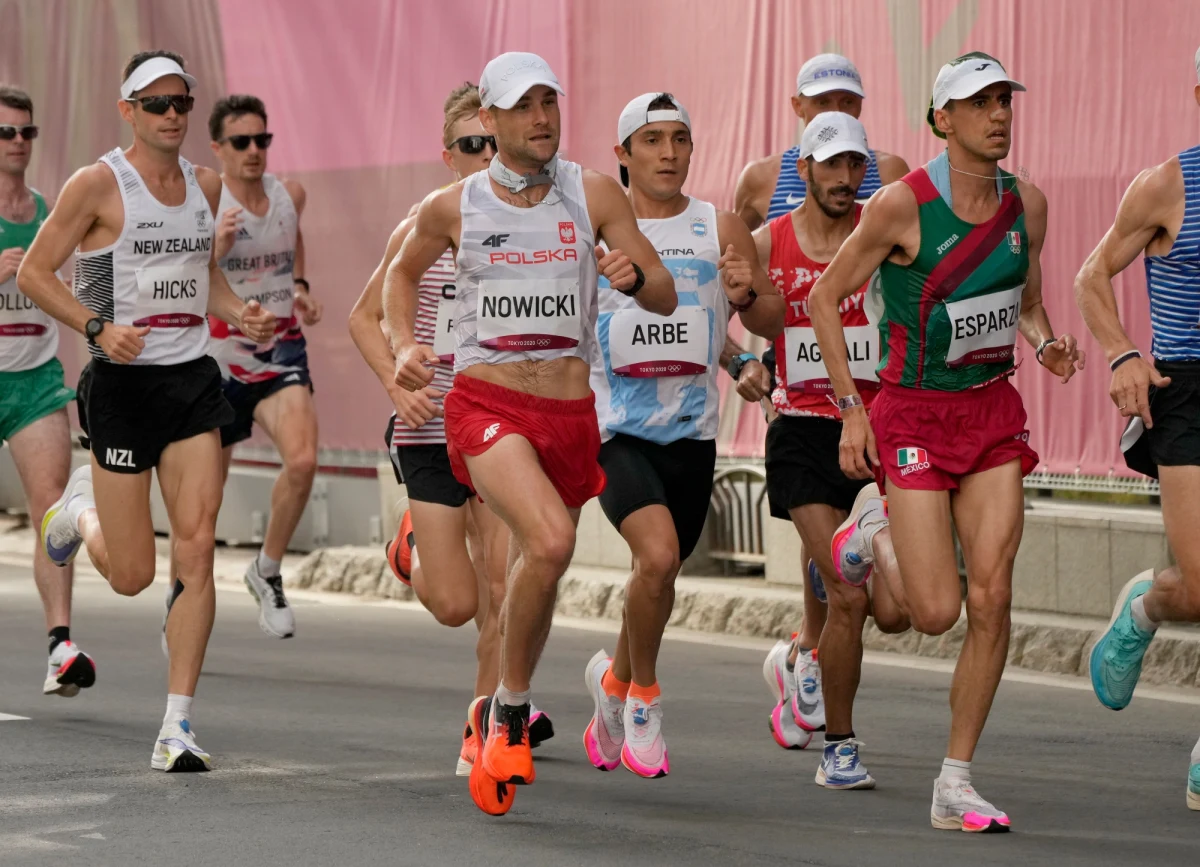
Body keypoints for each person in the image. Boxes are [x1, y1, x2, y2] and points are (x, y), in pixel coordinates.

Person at [385, 51, 674, 816]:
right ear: (490, 119)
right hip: (487, 404)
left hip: (569, 415)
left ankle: (505, 701)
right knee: (550, 540)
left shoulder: (594, 192)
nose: (542, 117)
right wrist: (403, 344)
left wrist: (634, 277)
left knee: (537, 569)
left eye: (549, 101)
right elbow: (400, 276)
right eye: (522, 106)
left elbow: (665, 291)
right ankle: (509, 710)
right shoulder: (455, 206)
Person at [807, 53, 1084, 831]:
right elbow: (826, 297)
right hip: (914, 416)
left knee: (992, 597)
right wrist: (851, 409)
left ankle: (955, 780)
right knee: (932, 611)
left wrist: (1046, 342)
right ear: (942, 119)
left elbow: (1024, 301)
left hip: (991, 412)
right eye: (979, 102)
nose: (998, 114)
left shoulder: (1027, 204)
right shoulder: (901, 206)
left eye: (1003, 100)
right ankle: (873, 529)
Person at [17, 50, 276, 771]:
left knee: (197, 548)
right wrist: (97, 327)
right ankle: (78, 514)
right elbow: (36, 273)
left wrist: (239, 313)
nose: (171, 114)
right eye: (155, 103)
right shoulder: (97, 184)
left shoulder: (206, 184)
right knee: (131, 574)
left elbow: (203, 275)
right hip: (122, 386)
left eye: (181, 102)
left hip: (191, 381)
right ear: (127, 110)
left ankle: (176, 725)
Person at [349, 82, 551, 776]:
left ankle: (484, 728)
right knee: (456, 602)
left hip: (498, 426)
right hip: (429, 429)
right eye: (472, 145)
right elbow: (362, 319)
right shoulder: (425, 225)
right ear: (449, 156)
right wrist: (395, 383)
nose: (487, 156)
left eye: (495, 143)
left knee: (500, 588)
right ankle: (412, 546)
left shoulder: (536, 223)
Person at [582, 92, 783, 779]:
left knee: (657, 576)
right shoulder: (594, 232)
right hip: (615, 433)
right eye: (652, 140)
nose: (669, 153)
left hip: (693, 437)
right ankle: (643, 699)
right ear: (623, 154)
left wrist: (745, 335)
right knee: (660, 556)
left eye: (680, 139)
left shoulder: (717, 225)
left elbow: (751, 321)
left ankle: (612, 682)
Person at [732, 113, 911, 786]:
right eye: (830, 164)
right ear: (803, 168)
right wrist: (740, 359)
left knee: (897, 612)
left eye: (855, 164)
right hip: (804, 431)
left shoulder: (884, 233)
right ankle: (840, 747)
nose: (844, 177)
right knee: (849, 599)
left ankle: (843, 557)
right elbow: (734, 313)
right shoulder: (767, 241)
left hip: (878, 428)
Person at [1073, 45, 1200, 812]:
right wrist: (1123, 351)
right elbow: (1091, 276)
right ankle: (1148, 605)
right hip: (1187, 391)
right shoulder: (1166, 186)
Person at [205, 93, 320, 639]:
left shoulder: (288, 195)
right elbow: (185, 275)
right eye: (241, 142)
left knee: (303, 461)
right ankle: (183, 591)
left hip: (280, 350)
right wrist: (215, 246)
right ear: (218, 149)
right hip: (221, 361)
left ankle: (267, 569)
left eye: (262, 139)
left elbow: (291, 241)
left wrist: (300, 288)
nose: (254, 150)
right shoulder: (208, 205)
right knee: (205, 498)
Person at [0, 85, 96, 697]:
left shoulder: (48, 213)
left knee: (51, 509)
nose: (17, 142)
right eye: (5, 132)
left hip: (34, 380)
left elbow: (77, 290)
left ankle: (60, 646)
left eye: (26, 132)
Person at [734, 53, 909, 230]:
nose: (836, 113)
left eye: (848, 102)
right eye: (823, 103)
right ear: (797, 106)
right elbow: (734, 242)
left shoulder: (890, 172)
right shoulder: (761, 176)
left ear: (860, 104)